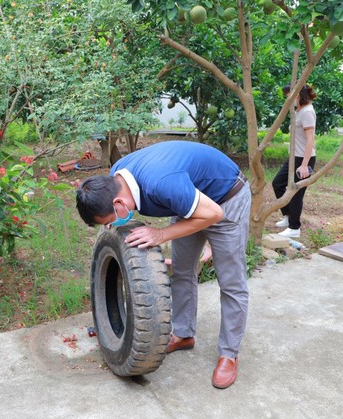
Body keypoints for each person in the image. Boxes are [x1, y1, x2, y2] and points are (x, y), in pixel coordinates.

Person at [76, 141, 251, 389]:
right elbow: (184, 198)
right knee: (181, 271)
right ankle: (183, 333)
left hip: (225, 200)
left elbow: (213, 214)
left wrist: (160, 235)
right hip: (188, 200)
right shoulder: (117, 175)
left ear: (118, 203)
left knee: (230, 282)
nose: (113, 226)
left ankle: (229, 354)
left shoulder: (161, 183)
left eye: (110, 220)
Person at [272, 84, 317, 239]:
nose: (287, 98)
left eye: (289, 95)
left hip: (304, 158)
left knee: (296, 192)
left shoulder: (307, 112)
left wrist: (304, 165)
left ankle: (294, 227)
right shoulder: (299, 110)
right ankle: (288, 216)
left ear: (298, 95)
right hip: (294, 157)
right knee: (277, 183)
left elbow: (310, 139)